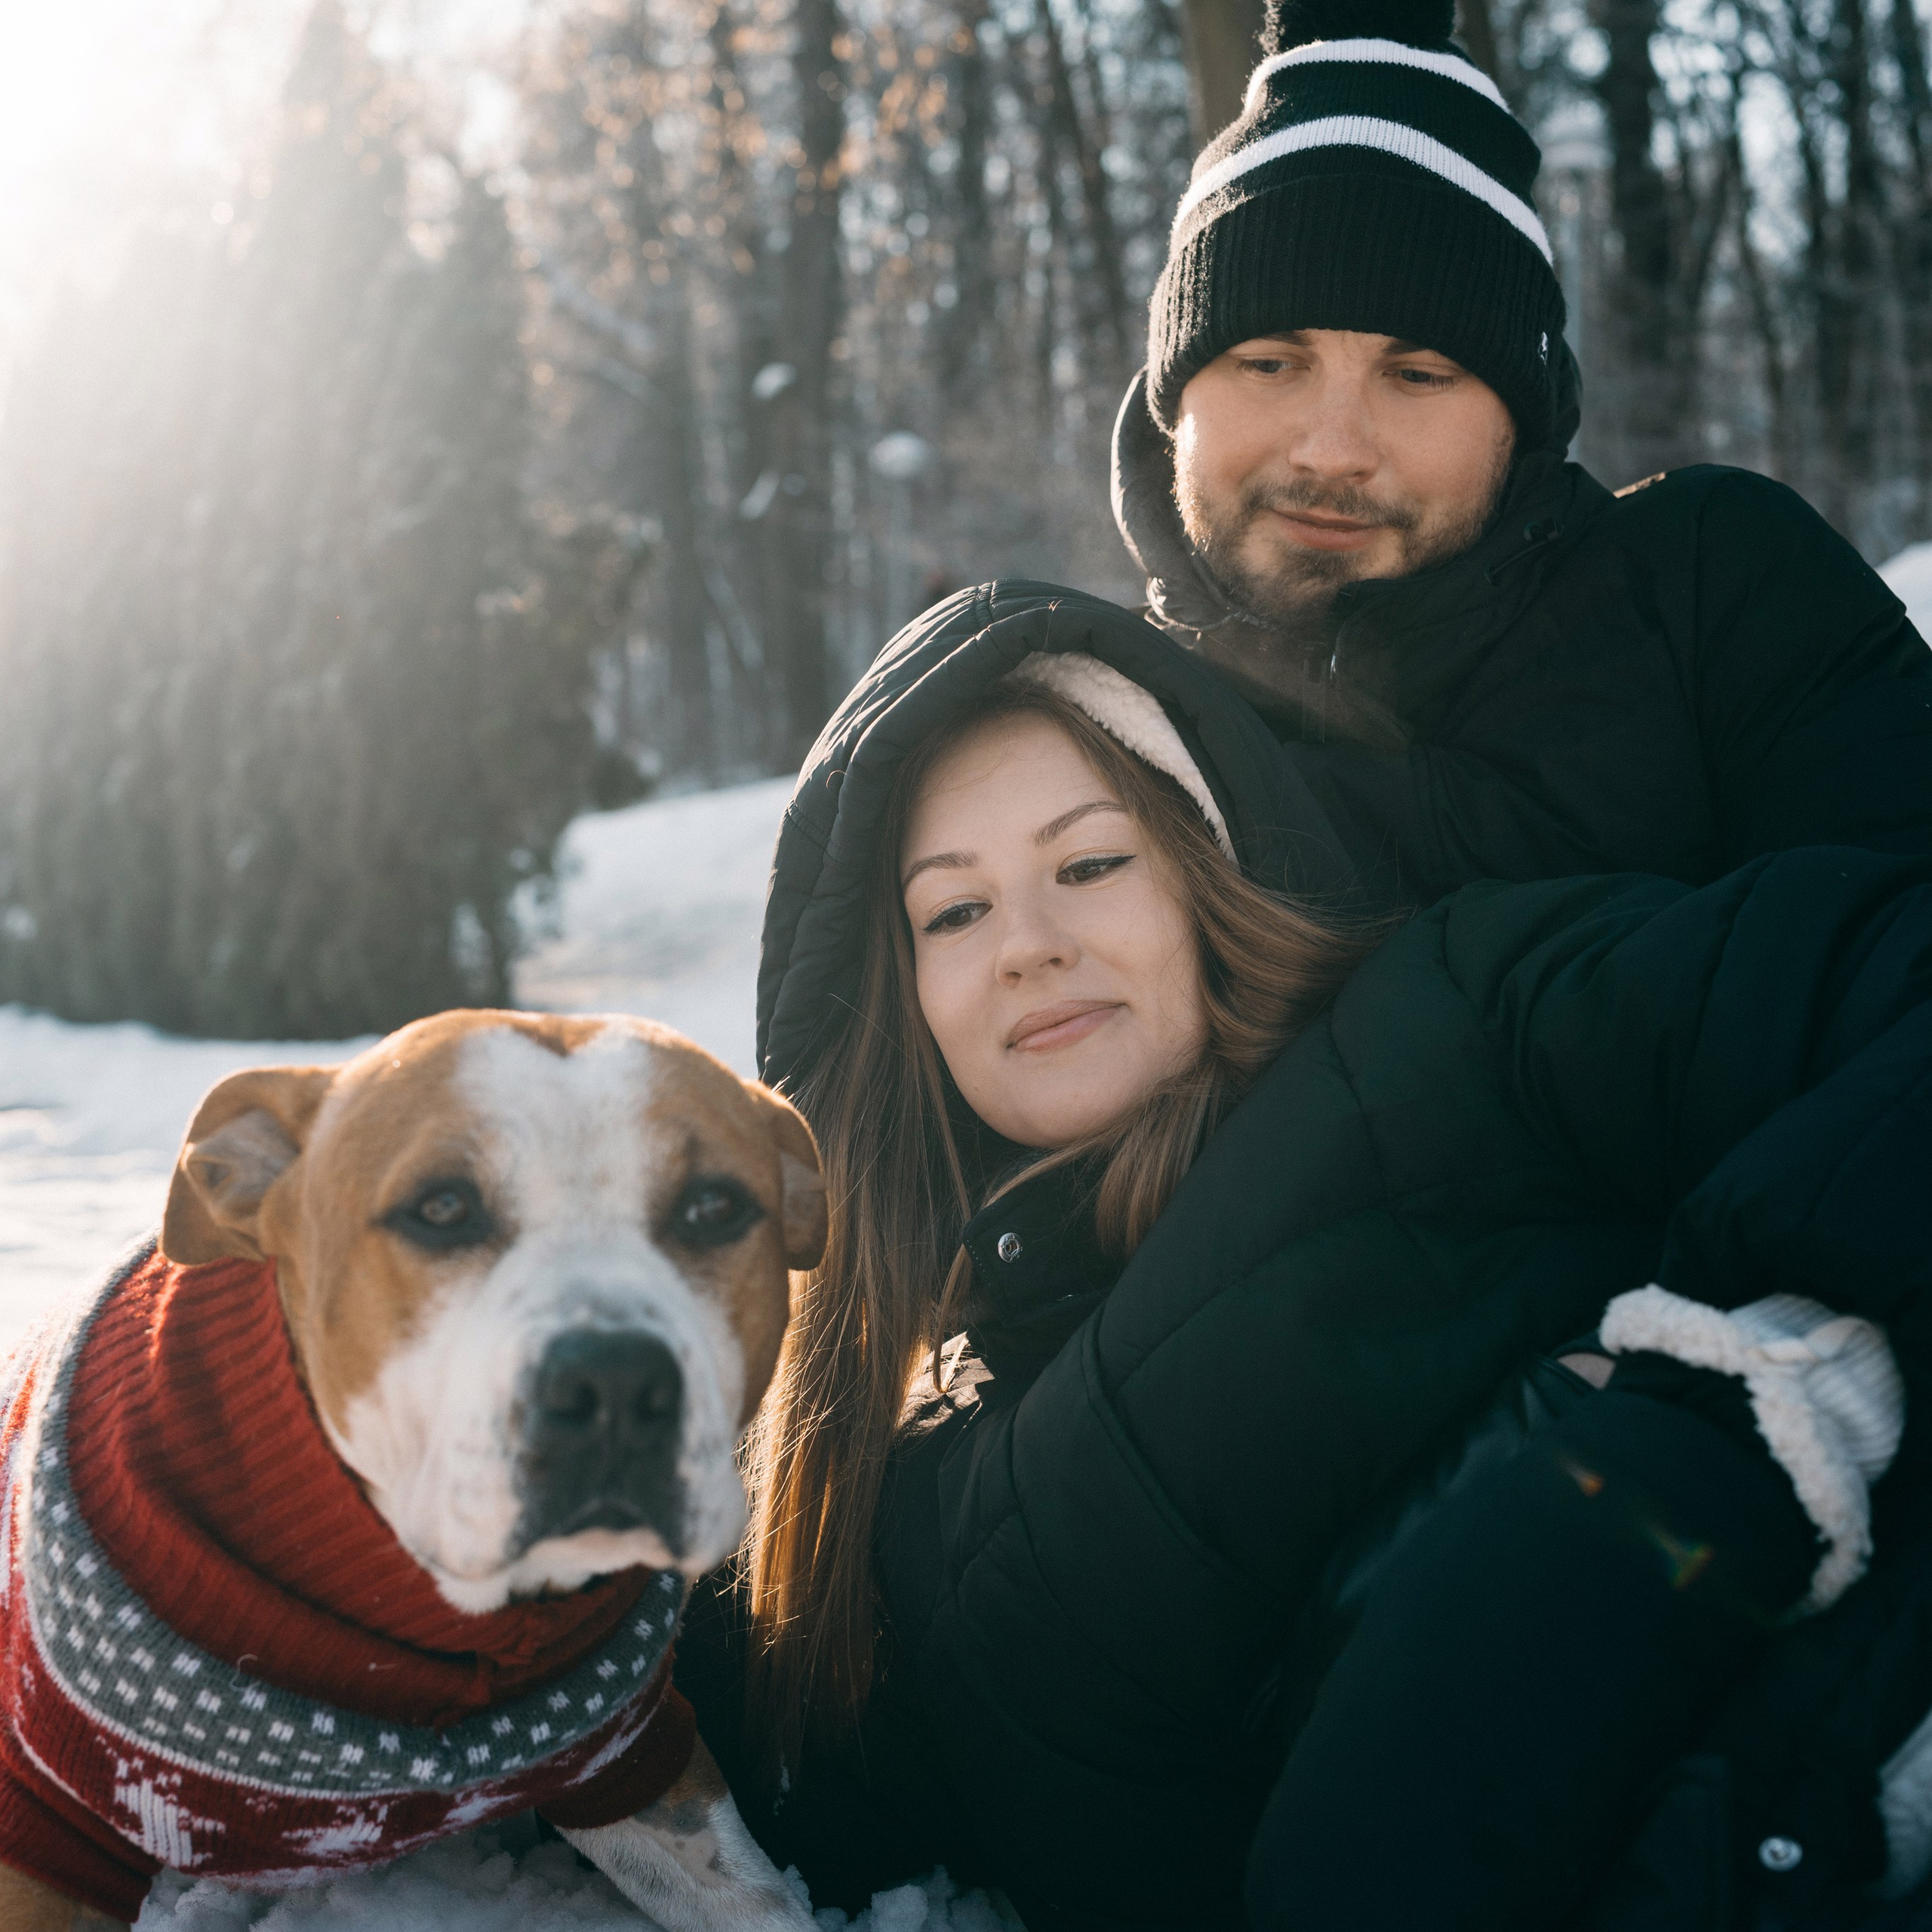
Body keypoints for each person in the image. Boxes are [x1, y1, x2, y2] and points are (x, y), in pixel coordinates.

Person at [673, 583, 1932, 1932]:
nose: (1030, 947)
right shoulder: (882, 1469)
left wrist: (1727, 1405)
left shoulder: (1452, 1020)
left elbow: (1883, 977)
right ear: (901, 997)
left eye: (1091, 864)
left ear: (1206, 865)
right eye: (955, 914)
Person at [1109, 0, 1932, 906]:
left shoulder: (1716, 596)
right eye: (1268, 362)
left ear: (1525, 417)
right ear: (1173, 400)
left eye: (1418, 375)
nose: (1332, 452)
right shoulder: (1095, 745)